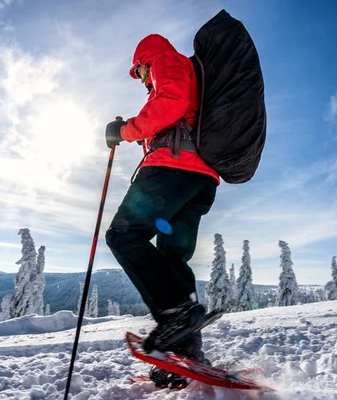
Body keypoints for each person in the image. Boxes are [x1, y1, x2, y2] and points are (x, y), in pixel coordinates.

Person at [104, 34, 220, 387]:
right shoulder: (192, 74)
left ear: (144, 61)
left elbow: (170, 103)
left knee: (123, 234)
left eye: (139, 73)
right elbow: (181, 112)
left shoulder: (166, 61)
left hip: (172, 170)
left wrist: (125, 130)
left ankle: (176, 313)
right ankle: (185, 355)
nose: (141, 80)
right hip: (200, 179)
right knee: (173, 260)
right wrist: (140, 135)